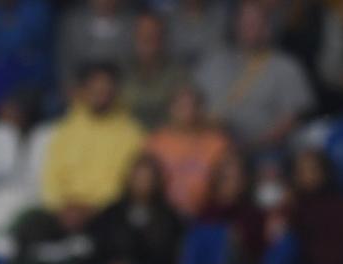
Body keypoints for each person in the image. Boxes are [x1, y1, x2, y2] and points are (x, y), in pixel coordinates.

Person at [192, 1, 314, 155]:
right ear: (235, 24)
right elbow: (193, 102)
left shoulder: (286, 66)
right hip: (210, 145)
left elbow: (292, 119)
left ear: (268, 28)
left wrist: (251, 145)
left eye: (255, 23)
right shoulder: (213, 61)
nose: (248, 28)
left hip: (264, 149)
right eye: (244, 22)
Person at [40, 63, 146, 219]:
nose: (100, 94)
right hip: (64, 211)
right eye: (95, 89)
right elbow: (51, 176)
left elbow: (124, 185)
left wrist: (92, 208)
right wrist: (61, 206)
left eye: (106, 89)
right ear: (83, 91)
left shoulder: (132, 134)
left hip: (107, 213)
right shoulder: (66, 130)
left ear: (115, 92)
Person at [87, 152, 180, 264]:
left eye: (147, 178)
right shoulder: (111, 213)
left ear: (157, 182)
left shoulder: (168, 217)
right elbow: (97, 246)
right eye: (138, 177)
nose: (142, 183)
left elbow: (167, 256)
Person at [146, 85, 229, 219]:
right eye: (181, 106)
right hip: (162, 217)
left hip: (207, 215)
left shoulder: (218, 143)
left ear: (201, 109)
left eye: (193, 106)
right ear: (170, 108)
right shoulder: (155, 143)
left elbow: (228, 185)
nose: (188, 111)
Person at [121, 11, 186, 130]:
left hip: (166, 140)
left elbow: (184, 115)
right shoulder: (119, 72)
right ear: (134, 37)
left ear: (163, 39)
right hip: (125, 138)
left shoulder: (178, 74)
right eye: (142, 35)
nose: (147, 40)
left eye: (153, 35)